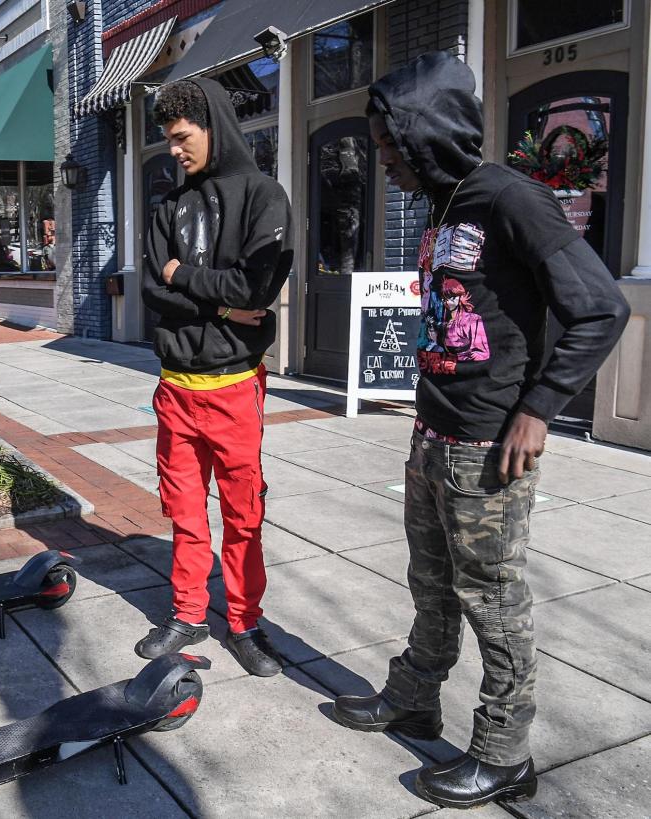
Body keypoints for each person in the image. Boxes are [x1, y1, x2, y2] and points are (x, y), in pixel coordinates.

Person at [331, 51, 629, 810]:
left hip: (488, 445)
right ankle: (413, 698)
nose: (386, 163)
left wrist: (540, 407)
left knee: (493, 601)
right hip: (433, 433)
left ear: (428, 135)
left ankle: (504, 752)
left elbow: (601, 306)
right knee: (430, 586)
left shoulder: (509, 197)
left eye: (392, 146)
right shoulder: (445, 202)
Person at [137, 77, 293, 678]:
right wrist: (222, 303)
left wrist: (187, 279)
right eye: (168, 141)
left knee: (242, 510)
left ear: (212, 126)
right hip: (175, 386)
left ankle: (245, 622)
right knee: (182, 510)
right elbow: (154, 291)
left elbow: (258, 287)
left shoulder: (263, 197)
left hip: (233, 388)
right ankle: (187, 612)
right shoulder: (168, 208)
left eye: (182, 138)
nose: (174, 151)